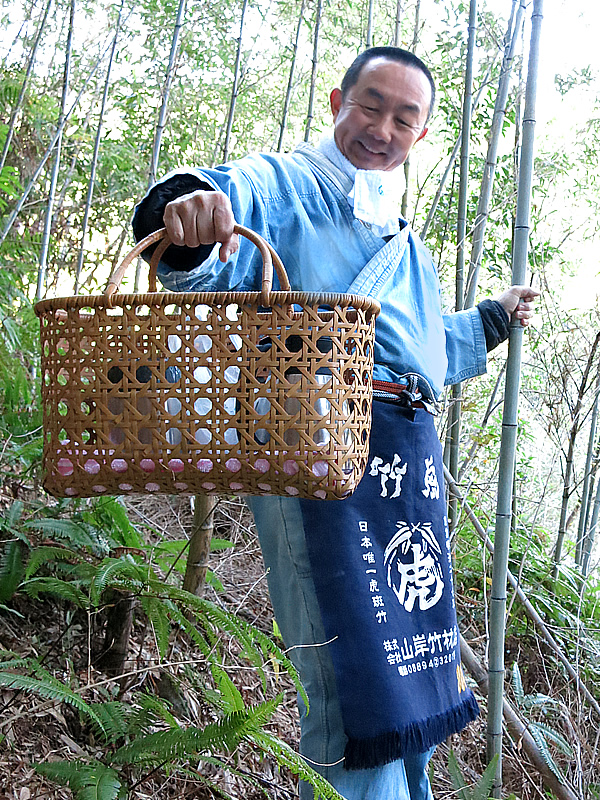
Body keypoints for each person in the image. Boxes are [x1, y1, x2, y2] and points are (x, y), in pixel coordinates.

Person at [133, 47, 538, 800]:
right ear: (335, 101)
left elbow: (415, 349)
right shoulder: (283, 184)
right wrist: (184, 209)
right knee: (349, 677)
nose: (382, 128)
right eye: (369, 105)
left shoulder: (403, 236)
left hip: (404, 467)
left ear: (421, 134)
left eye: (403, 117)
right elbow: (213, 211)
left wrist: (489, 319)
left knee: (413, 668)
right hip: (309, 444)